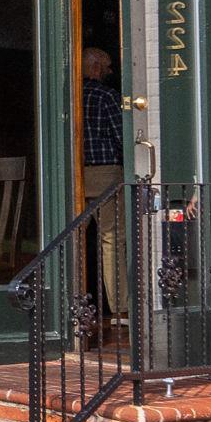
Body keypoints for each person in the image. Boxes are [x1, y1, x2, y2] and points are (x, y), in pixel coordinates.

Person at [82, 47, 128, 325]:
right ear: (97, 68)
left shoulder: (70, 96)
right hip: (106, 173)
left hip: (75, 176)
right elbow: (122, 137)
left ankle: (68, 306)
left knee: (73, 239)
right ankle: (119, 309)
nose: (111, 72)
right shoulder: (108, 97)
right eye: (108, 67)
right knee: (112, 238)